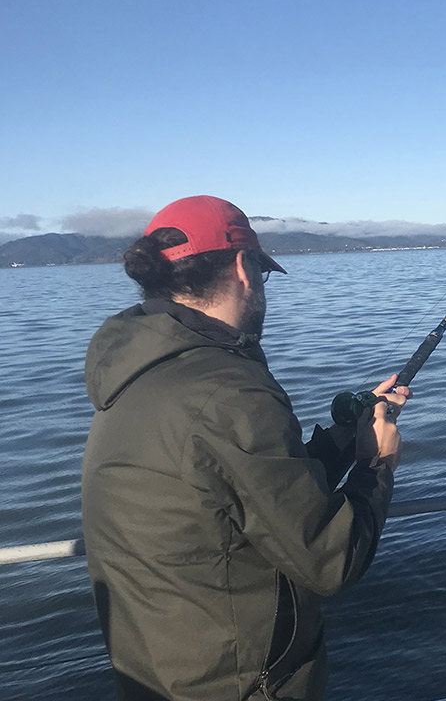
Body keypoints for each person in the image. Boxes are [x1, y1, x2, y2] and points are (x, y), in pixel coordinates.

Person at [81, 195, 410, 701]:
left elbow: (247, 489)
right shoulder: (228, 391)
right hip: (243, 686)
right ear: (243, 267)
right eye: (265, 273)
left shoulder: (138, 374)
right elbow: (331, 559)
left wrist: (348, 435)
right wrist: (377, 461)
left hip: (160, 675)